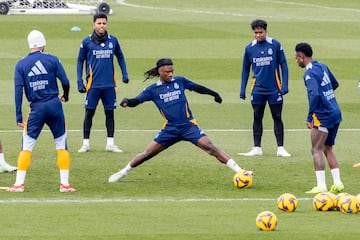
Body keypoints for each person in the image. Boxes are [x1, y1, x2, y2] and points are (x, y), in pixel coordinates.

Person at [108, 58, 252, 182]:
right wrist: (128, 101)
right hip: (170, 129)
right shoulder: (152, 90)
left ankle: (240, 171)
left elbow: (197, 88)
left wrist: (214, 94)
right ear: (160, 72)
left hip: (189, 126)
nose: (170, 74)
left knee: (211, 147)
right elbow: (137, 101)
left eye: (172, 71)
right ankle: (123, 172)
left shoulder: (180, 81)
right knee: (148, 153)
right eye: (167, 72)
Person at [7, 30, 76, 193]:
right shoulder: (53, 59)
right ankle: (65, 184)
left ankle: (19, 184)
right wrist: (65, 96)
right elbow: (65, 81)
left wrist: (18, 115)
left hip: (36, 108)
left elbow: (18, 91)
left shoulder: (21, 64)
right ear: (42, 43)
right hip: (54, 105)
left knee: (27, 146)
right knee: (61, 145)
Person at [295, 42, 344, 194]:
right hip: (336, 112)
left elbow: (314, 94)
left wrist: (310, 116)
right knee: (328, 148)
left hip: (322, 116)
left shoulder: (309, 73)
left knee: (316, 149)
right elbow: (334, 84)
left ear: (301, 57)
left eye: (297, 58)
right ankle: (338, 183)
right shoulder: (322, 66)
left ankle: (321, 185)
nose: (296, 61)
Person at [77, 12, 129, 153]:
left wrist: (125, 73)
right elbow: (80, 61)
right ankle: (85, 144)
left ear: (107, 24)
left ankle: (110, 144)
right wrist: (79, 81)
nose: (102, 26)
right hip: (93, 85)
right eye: (99, 23)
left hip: (109, 85)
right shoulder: (86, 42)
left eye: (104, 23)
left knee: (110, 114)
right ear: (94, 24)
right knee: (89, 113)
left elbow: (120, 56)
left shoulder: (113, 40)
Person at [238, 19, 291, 157]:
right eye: (255, 33)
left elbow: (284, 64)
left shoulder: (275, 44)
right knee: (257, 116)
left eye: (260, 32)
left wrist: (285, 85)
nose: (258, 35)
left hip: (274, 89)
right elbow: (245, 69)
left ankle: (280, 148)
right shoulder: (249, 48)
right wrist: (242, 89)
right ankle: (257, 148)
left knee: (277, 116)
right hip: (257, 89)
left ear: (266, 31)